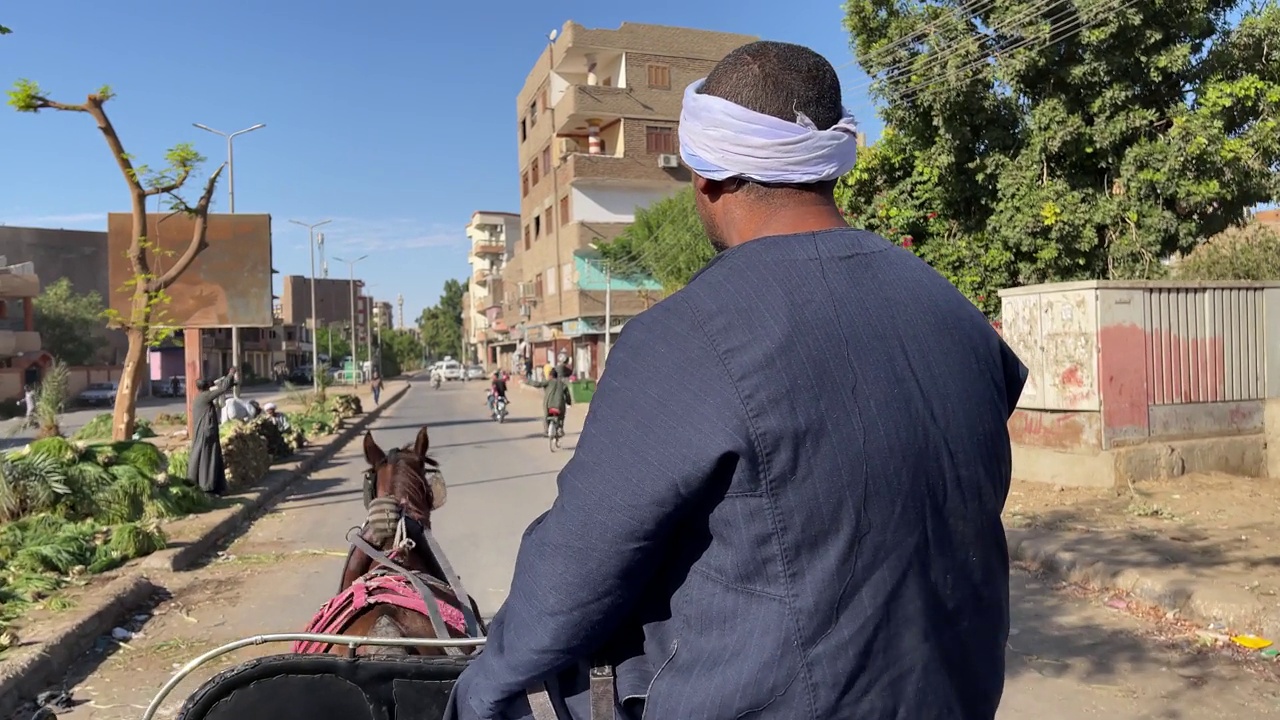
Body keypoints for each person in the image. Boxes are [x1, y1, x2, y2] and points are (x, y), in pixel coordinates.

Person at [444, 40, 1026, 720]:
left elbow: (574, 573)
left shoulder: (685, 338)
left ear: (706, 175)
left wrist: (480, 691)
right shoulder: (953, 312)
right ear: (829, 165)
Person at [189, 367, 237, 496]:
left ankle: (215, 486)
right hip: (206, 433)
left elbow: (222, 388)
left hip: (206, 432)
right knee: (207, 458)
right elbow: (222, 389)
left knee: (211, 457)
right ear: (207, 387)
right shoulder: (205, 396)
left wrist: (229, 382)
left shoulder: (200, 397)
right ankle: (207, 487)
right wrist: (231, 374)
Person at [526, 367, 571, 436]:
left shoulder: (548, 382)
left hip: (548, 405)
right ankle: (560, 428)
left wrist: (528, 381)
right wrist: (568, 402)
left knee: (546, 417)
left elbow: (537, 384)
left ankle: (546, 431)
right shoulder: (562, 384)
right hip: (559, 405)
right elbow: (567, 395)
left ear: (550, 376)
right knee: (561, 416)